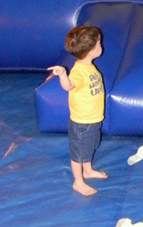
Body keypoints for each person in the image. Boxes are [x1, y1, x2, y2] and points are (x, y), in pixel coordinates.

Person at [49, 25, 108, 196]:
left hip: (93, 119)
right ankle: (78, 181)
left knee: (88, 148)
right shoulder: (79, 72)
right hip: (82, 123)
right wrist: (62, 75)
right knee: (78, 153)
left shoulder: (89, 66)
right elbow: (69, 86)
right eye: (99, 44)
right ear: (90, 51)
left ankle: (87, 170)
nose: (101, 46)